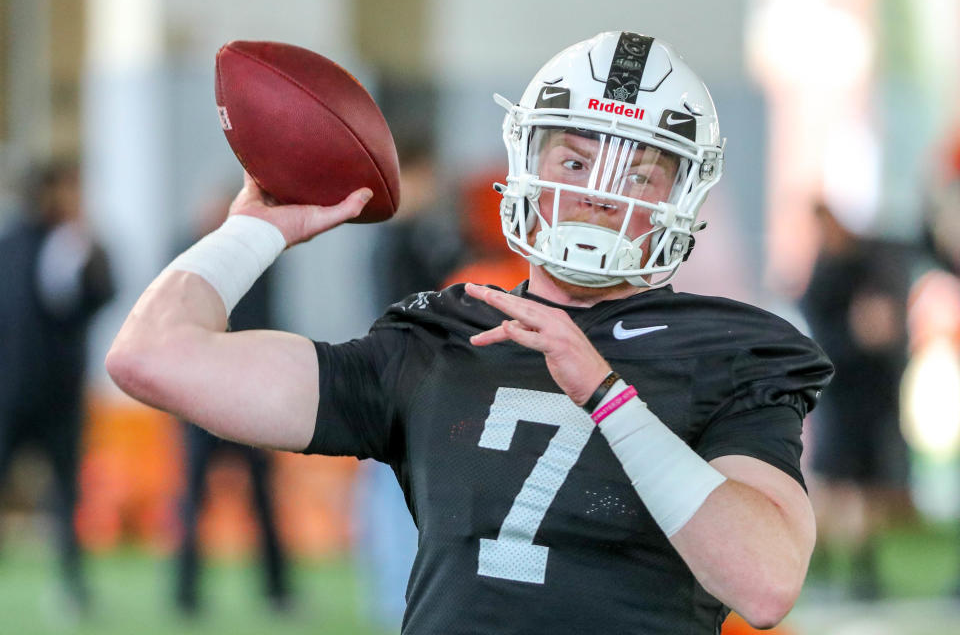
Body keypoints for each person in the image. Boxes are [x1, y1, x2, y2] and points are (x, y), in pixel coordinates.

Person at [106, 32, 833, 633]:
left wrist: (610, 398)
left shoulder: (730, 352)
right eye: (576, 161)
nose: (599, 195)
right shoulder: (437, 340)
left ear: (684, 195)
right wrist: (252, 233)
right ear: (527, 166)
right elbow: (152, 356)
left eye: (640, 174)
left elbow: (766, 584)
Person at [0, 159, 114, 611]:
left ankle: (72, 588)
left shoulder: (72, 244)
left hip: (59, 396)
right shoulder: (9, 245)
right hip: (12, 393)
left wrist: (90, 250)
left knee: (67, 493)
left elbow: (102, 294)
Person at [172, 191, 291, 615]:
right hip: (198, 398)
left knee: (262, 495)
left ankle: (277, 589)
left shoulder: (261, 263)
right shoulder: (186, 259)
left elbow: (270, 323)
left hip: (248, 393)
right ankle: (184, 594)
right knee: (192, 496)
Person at [799, 201, 913, 600]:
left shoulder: (864, 265)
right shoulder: (828, 273)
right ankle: (827, 564)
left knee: (861, 483)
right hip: (840, 390)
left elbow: (880, 329)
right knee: (834, 482)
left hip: (865, 394)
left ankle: (857, 568)